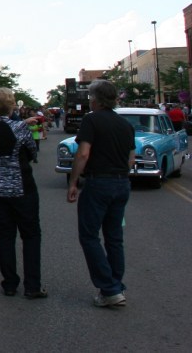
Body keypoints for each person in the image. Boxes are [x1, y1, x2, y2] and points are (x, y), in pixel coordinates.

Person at [67, 79, 135, 308]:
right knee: (114, 238)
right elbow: (131, 159)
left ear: (95, 100)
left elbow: (83, 154)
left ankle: (110, 288)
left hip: (99, 183)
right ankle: (115, 285)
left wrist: (73, 182)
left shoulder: (91, 120)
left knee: (89, 236)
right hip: (121, 183)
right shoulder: (125, 125)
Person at [0, 87, 46, 298]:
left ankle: (9, 283)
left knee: (5, 235)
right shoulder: (19, 128)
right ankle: (32, 285)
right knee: (31, 235)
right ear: (11, 106)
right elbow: (32, 152)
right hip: (21, 187)